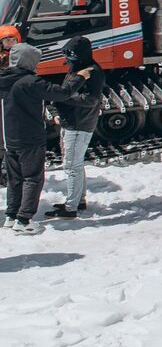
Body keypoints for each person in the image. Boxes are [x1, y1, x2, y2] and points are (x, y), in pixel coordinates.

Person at [2, 44, 96, 233]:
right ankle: (24, 221)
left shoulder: (3, 79)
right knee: (33, 178)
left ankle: (11, 217)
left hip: (9, 137)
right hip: (29, 138)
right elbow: (62, 93)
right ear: (29, 61)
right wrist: (80, 77)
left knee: (15, 179)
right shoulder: (30, 82)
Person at [48, 36, 103, 220]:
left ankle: (71, 207)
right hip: (70, 122)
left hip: (79, 124)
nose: (68, 59)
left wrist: (64, 99)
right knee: (76, 164)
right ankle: (79, 200)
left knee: (71, 165)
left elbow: (91, 99)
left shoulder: (92, 72)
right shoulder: (76, 69)